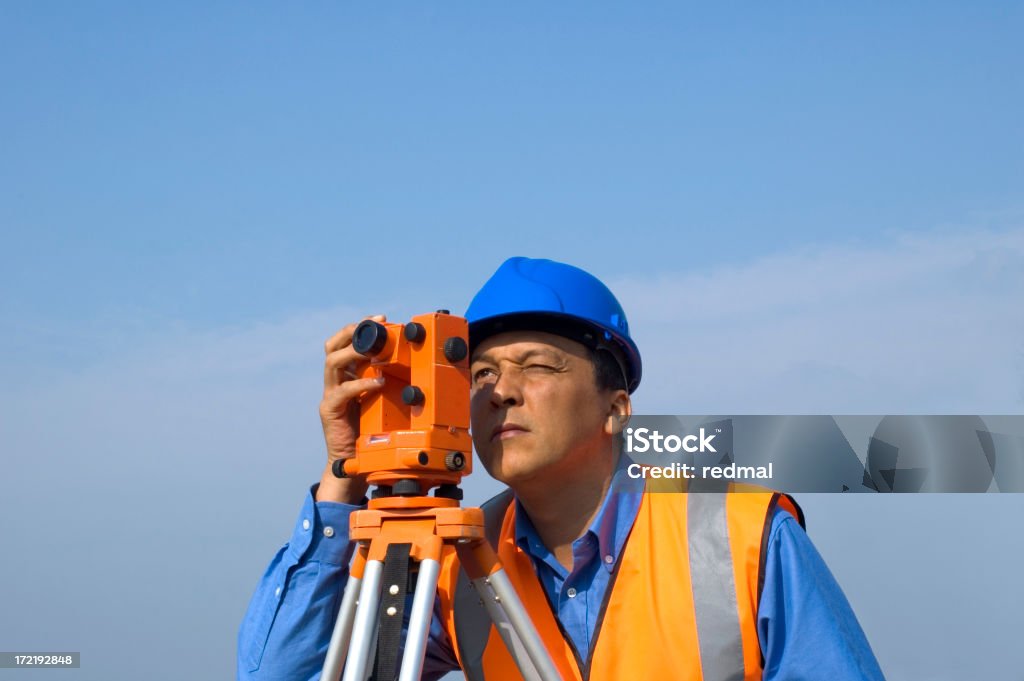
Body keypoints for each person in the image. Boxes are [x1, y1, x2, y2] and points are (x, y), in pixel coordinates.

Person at [238, 257, 886, 680]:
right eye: (482, 373)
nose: (501, 391)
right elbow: (281, 673)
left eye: (538, 366)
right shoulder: (457, 566)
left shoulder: (740, 537)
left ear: (616, 406)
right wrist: (342, 478)